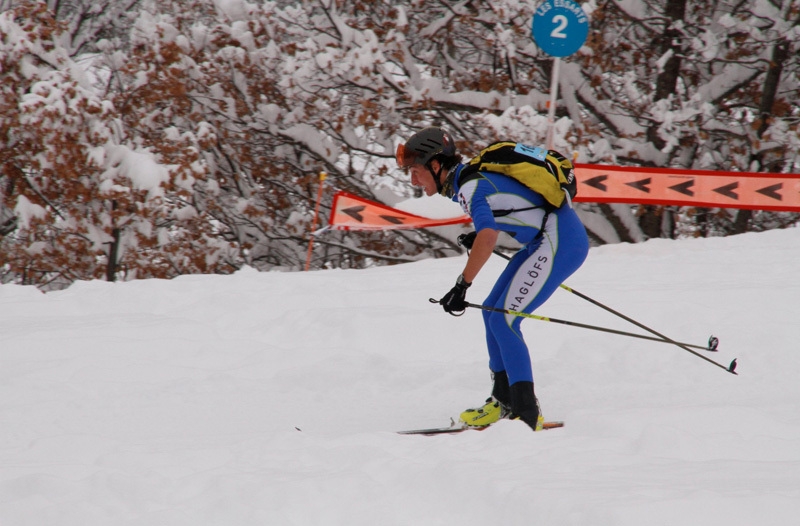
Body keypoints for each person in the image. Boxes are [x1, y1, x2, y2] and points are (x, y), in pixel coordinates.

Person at [395, 127, 589, 431]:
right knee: (492, 311)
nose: (413, 179)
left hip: (561, 241)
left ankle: (525, 413)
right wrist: (482, 234)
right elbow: (506, 213)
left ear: (436, 165)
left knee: (505, 320)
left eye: (416, 170)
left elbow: (488, 238)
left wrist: (462, 285)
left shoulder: (470, 187)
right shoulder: (468, 182)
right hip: (544, 240)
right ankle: (503, 401)